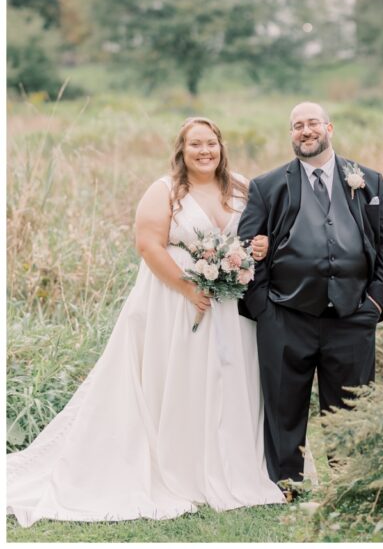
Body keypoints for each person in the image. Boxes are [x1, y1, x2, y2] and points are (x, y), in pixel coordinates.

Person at [7, 117, 284, 528]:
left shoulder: (242, 187)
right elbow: (148, 245)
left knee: (229, 379)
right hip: (176, 301)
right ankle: (181, 466)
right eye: (195, 145)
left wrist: (259, 246)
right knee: (182, 378)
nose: (205, 151)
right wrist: (188, 287)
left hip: (232, 304)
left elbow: (259, 234)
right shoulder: (165, 191)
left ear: (222, 147)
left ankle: (232, 464)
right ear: (182, 150)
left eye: (211, 143)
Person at [238, 101, 383, 491]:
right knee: (283, 406)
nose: (305, 131)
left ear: (329, 128)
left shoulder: (368, 181)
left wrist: (374, 302)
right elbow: (245, 248)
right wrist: (263, 307)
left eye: (312, 123)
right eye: (296, 126)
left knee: (351, 408)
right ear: (291, 134)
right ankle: (285, 485)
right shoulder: (267, 185)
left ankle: (350, 484)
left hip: (352, 316)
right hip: (286, 315)